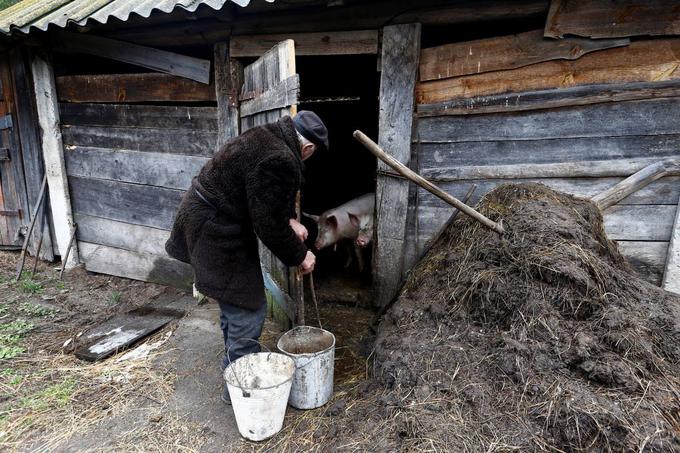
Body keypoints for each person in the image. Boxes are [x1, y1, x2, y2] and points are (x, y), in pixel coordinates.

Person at [165, 111, 329, 403]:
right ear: (307, 149)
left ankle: (235, 360)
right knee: (248, 305)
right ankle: (241, 388)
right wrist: (300, 255)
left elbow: (262, 195)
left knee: (233, 300)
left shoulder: (267, 136)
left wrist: (291, 219)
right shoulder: (281, 158)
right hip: (216, 228)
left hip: (209, 218)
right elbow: (267, 224)